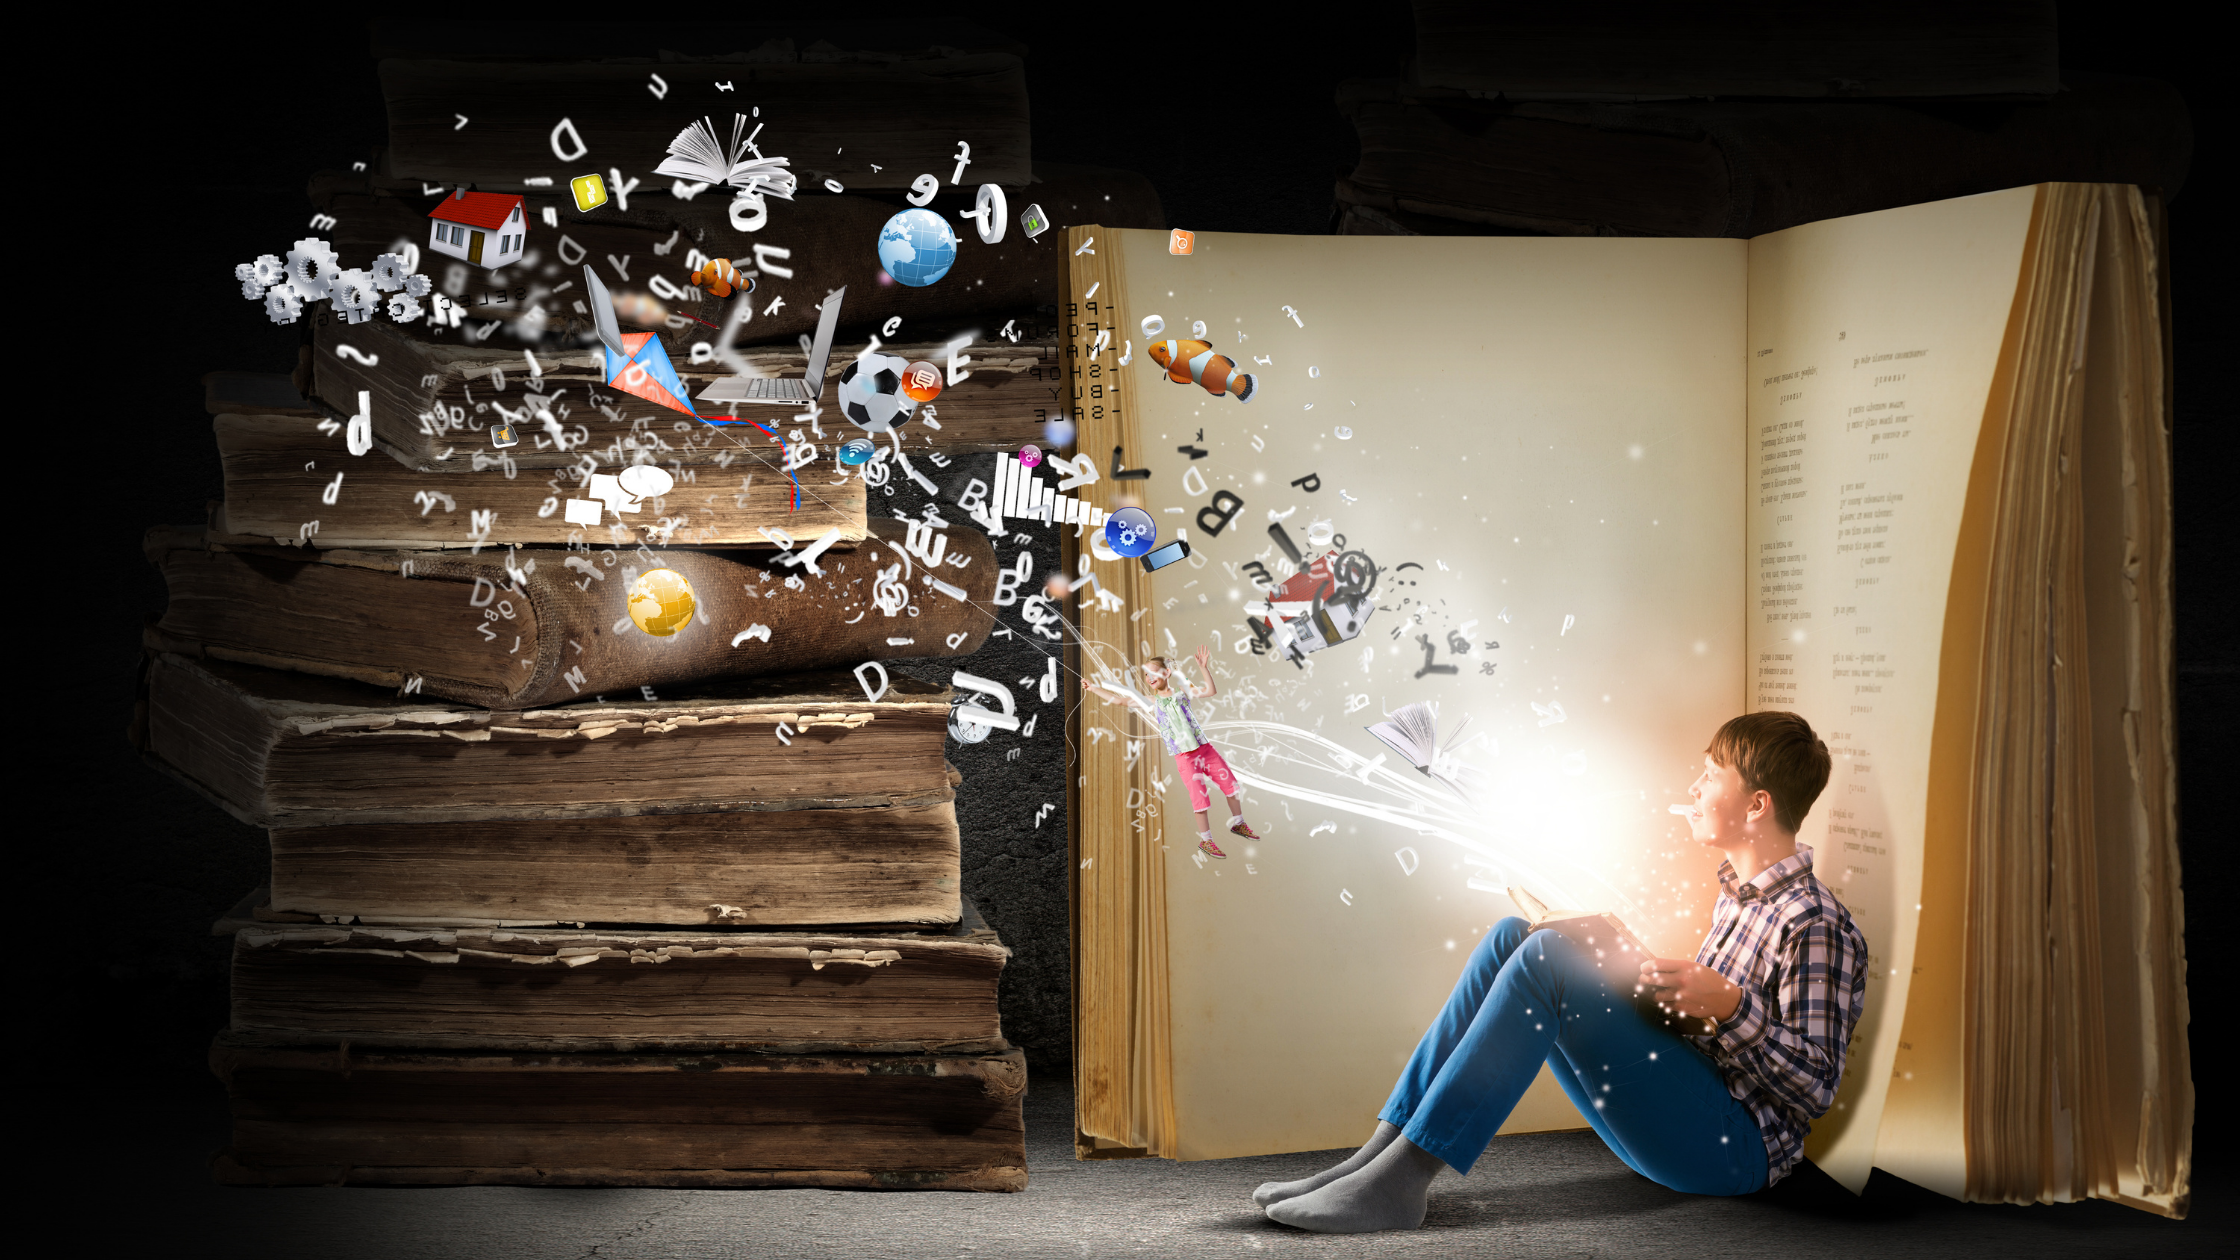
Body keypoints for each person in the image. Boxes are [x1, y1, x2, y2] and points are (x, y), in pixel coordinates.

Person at [1254, 711, 1868, 1232]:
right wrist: (1647, 975)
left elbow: (1817, 1089)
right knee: (1513, 936)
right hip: (1692, 1110)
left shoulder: (1815, 923)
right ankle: (1377, 1160)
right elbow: (1706, 1033)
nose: (1695, 787)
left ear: (1757, 805)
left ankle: (1401, 1183)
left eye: (1710, 775)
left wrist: (1732, 1008)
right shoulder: (1739, 896)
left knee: (1547, 959)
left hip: (1736, 1151)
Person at [1082, 646, 1259, 858]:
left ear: (1167, 673)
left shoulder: (1182, 691)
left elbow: (1210, 691)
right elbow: (1120, 701)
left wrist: (1203, 668)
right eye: (1146, 674)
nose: (1149, 678)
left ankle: (1239, 823)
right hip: (1185, 757)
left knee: (1231, 785)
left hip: (1205, 750)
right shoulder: (1152, 701)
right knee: (1199, 800)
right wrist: (1093, 688)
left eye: (1154, 673)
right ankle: (1206, 841)